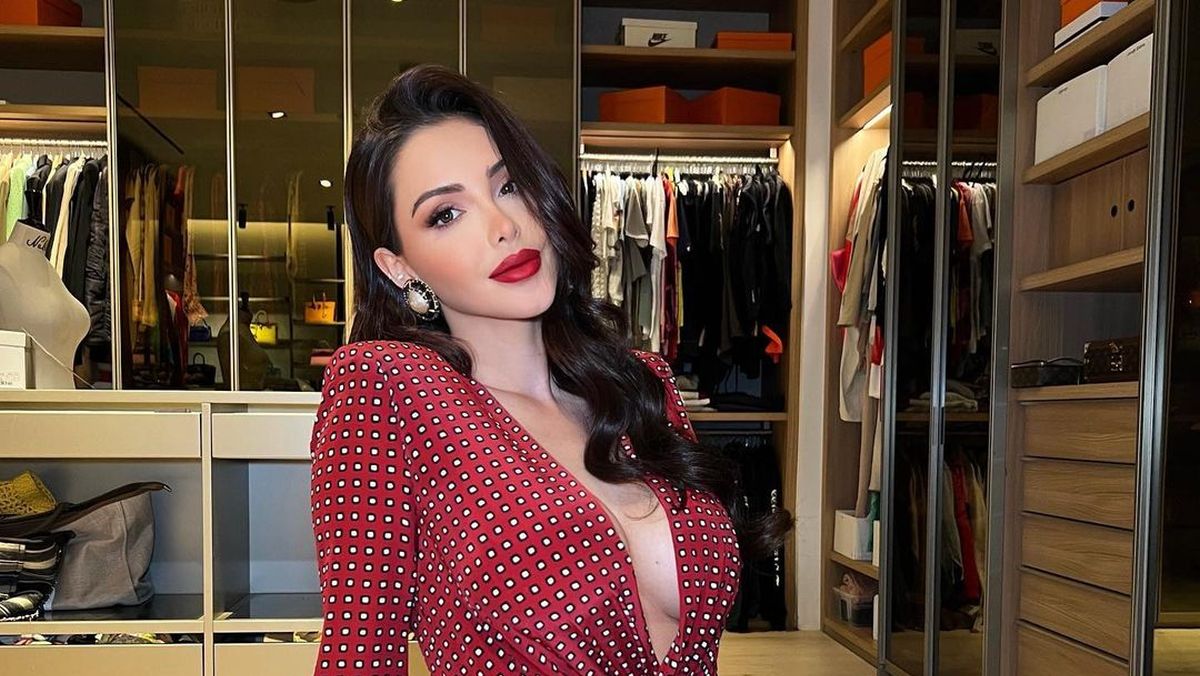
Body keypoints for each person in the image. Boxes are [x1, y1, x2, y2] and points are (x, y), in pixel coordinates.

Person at [309, 64, 792, 676]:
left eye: (509, 185)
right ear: (399, 267)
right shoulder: (387, 388)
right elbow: (360, 654)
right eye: (446, 214)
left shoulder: (641, 386)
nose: (503, 226)